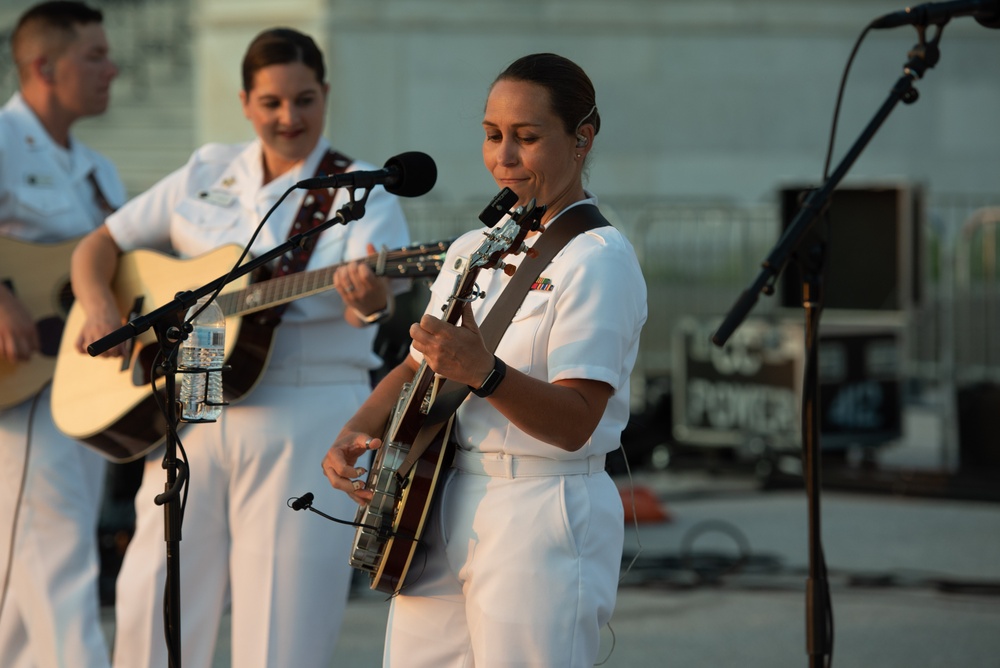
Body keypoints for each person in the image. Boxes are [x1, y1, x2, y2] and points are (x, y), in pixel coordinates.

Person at [69, 27, 410, 668]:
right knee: (153, 595)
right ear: (246, 101)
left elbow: (372, 306)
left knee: (283, 618)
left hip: (307, 404)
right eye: (273, 103)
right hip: (195, 386)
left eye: (305, 100)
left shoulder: (360, 192)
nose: (290, 118)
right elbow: (99, 245)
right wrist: (99, 307)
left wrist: (367, 296)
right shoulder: (207, 169)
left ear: (326, 95)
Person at [323, 52, 648, 666]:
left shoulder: (598, 258)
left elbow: (578, 420)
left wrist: (485, 373)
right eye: (492, 135)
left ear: (582, 139)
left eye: (527, 138)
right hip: (442, 493)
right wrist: (356, 430)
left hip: (542, 505)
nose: (504, 156)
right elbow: (423, 363)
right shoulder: (473, 246)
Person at [0, 3, 123, 667]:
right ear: (45, 66)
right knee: (59, 557)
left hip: (80, 386)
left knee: (24, 590)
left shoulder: (99, 170)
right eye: (95, 55)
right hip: (19, 391)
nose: (113, 67)